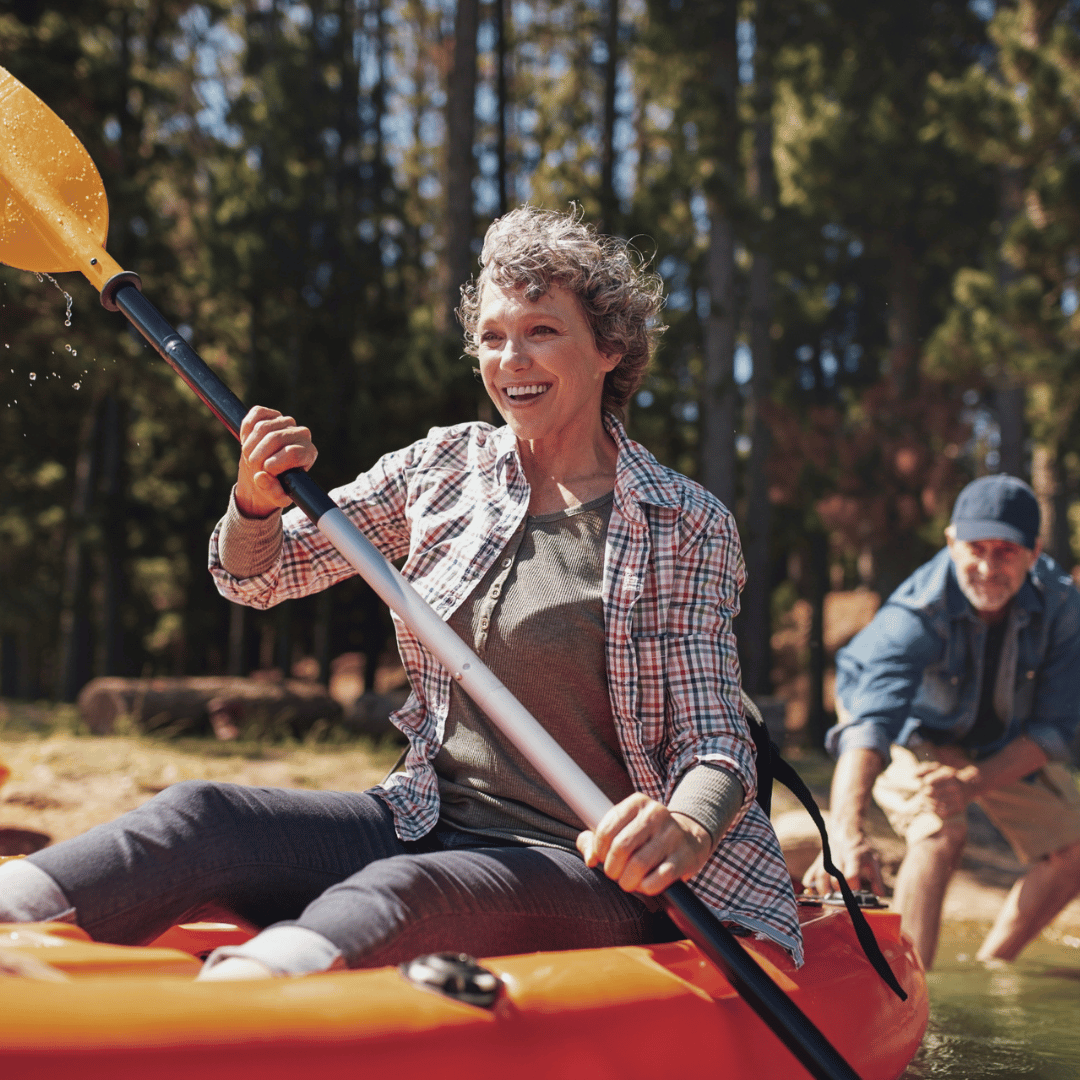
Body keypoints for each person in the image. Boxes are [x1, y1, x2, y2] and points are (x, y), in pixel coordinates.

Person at [0, 206, 801, 979]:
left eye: (541, 332)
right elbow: (264, 575)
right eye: (492, 338)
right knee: (200, 816)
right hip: (425, 819)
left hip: (590, 867)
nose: (510, 360)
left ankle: (244, 1013)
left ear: (610, 350)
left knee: (405, 894)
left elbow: (714, 738)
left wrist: (689, 825)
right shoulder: (443, 468)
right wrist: (254, 503)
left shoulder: (681, 521)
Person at [803, 474, 1080, 969]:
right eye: (976, 548)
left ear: (1034, 553)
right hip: (905, 726)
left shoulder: (1062, 605)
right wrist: (848, 832)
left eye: (1006, 552)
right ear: (952, 543)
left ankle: (993, 969)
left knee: (1074, 847)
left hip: (991, 740)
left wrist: (972, 781)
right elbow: (870, 725)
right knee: (940, 831)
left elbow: (1056, 730)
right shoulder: (917, 610)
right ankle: (907, 990)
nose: (987, 567)